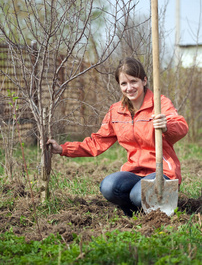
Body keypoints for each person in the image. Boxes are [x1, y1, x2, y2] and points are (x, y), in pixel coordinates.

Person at [46, 57, 189, 217]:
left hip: (161, 171)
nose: (129, 88)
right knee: (108, 186)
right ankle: (139, 213)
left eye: (133, 81)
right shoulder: (116, 111)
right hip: (134, 171)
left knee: (137, 195)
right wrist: (63, 149)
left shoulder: (159, 103)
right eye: (124, 84)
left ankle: (160, 208)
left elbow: (182, 127)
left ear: (144, 80)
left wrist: (166, 126)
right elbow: (97, 142)